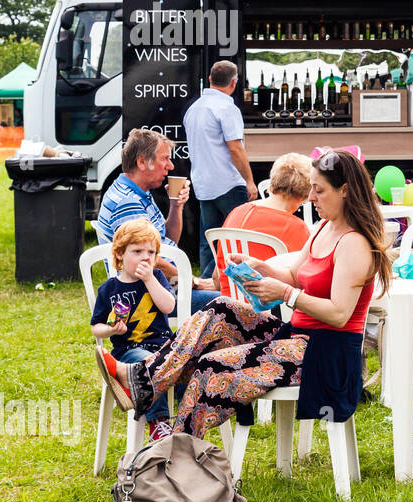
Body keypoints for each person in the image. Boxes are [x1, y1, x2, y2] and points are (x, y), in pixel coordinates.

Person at [95, 150, 391, 439]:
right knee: (220, 308)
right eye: (311, 189)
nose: (311, 197)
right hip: (297, 337)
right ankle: (145, 382)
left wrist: (286, 294)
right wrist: (262, 269)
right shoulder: (323, 228)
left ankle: (175, 449)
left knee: (212, 367)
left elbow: (339, 314)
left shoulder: (354, 243)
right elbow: (294, 276)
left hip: (325, 354)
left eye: (319, 190)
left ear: (345, 191)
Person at [96, 128, 218, 312]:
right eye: (165, 159)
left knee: (232, 293)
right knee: (229, 302)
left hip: (163, 286)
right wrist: (194, 282)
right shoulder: (128, 202)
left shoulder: (137, 192)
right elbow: (149, 261)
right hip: (147, 295)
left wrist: (176, 205)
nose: (171, 166)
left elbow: (167, 242)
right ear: (142, 162)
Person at [90, 219, 178, 441]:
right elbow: (96, 328)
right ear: (120, 253)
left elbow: (168, 306)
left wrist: (149, 279)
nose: (146, 257)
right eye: (137, 251)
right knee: (148, 363)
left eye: (151, 252)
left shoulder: (156, 278)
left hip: (162, 346)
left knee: (183, 362)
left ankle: (187, 421)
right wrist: (111, 331)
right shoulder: (109, 289)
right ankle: (159, 423)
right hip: (128, 352)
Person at [183, 60, 257, 279]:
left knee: (209, 241)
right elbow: (235, 148)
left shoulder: (194, 108)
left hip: (204, 184)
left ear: (210, 79)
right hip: (228, 183)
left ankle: (206, 287)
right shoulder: (226, 108)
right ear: (233, 83)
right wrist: (250, 181)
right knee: (240, 238)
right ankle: (240, 284)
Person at [214, 152, 313, 296]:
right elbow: (305, 280)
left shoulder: (236, 212)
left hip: (230, 305)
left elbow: (217, 279)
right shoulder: (296, 227)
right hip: (272, 310)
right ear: (305, 195)